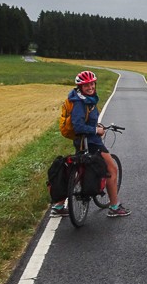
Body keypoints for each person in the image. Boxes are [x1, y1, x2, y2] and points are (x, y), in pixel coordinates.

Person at [52, 70, 130, 218]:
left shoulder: (86, 99)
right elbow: (78, 126)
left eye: (92, 83)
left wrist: (97, 125)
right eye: (86, 85)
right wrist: (96, 130)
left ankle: (59, 205)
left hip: (82, 142)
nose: (90, 87)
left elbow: (86, 121)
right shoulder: (80, 103)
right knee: (112, 169)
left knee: (79, 171)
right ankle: (114, 207)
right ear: (80, 87)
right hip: (91, 142)